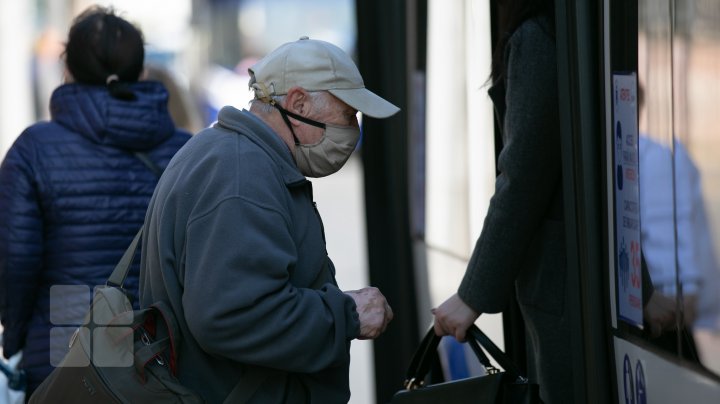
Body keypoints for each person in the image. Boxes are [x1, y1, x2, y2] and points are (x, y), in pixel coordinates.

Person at [431, 1, 676, 403]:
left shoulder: (538, 36)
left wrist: (471, 296)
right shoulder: (556, 30)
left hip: (565, 294)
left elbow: (523, 179)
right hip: (577, 289)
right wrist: (638, 288)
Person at [138, 36, 398, 403]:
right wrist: (347, 314)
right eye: (347, 115)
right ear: (298, 102)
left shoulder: (227, 153)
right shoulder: (243, 175)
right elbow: (233, 315)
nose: (352, 130)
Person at [0, 6, 191, 397]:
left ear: (67, 68)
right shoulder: (188, 153)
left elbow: (15, 262)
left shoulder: (34, 149)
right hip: (159, 349)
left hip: (64, 345)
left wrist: (16, 338)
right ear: (141, 70)